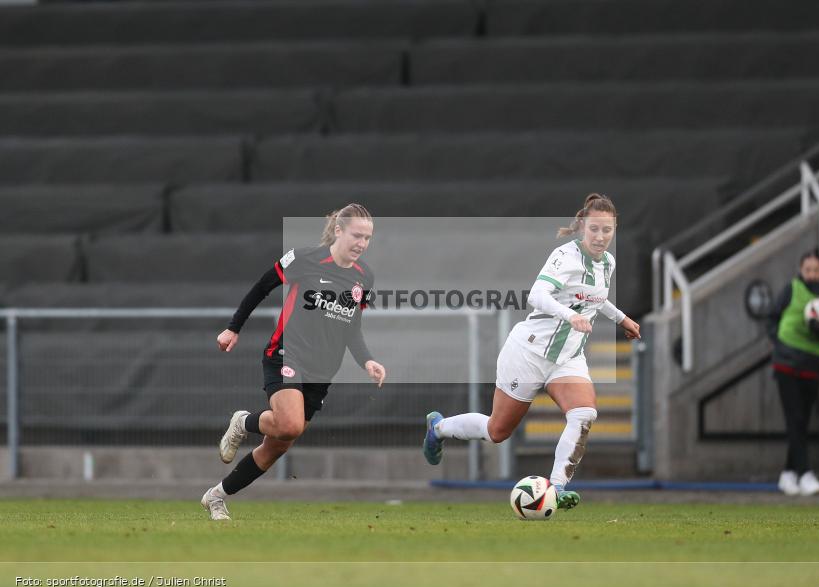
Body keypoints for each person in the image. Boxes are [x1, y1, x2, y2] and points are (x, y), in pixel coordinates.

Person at [422, 194, 641, 509]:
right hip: (529, 352)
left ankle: (556, 487)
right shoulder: (565, 256)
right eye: (594, 229)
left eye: (607, 230)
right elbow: (537, 295)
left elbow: (594, 297)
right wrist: (570, 316)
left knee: (583, 413)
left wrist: (622, 319)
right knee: (498, 430)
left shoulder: (607, 262)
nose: (601, 236)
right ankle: (438, 428)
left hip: (567, 357)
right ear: (582, 227)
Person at [201, 204, 387, 520]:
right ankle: (244, 421)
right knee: (289, 424)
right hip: (287, 353)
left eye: (368, 238)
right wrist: (234, 327)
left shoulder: (363, 277)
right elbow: (262, 286)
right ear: (339, 230)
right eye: (357, 235)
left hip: (322, 370)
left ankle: (216, 497)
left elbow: (352, 327)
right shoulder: (304, 259)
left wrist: (367, 361)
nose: (362, 243)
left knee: (278, 445)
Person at [768, 249, 819, 496]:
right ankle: (805, 473)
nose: (811, 274)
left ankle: (788, 475)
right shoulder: (791, 289)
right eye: (807, 270)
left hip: (812, 364)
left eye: (816, 270)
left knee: (802, 421)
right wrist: (776, 341)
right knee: (795, 418)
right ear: (801, 270)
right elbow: (772, 317)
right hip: (787, 362)